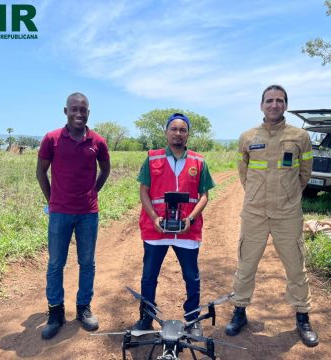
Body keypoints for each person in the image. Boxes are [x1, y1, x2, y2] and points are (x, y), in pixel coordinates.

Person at [225, 85, 319, 347]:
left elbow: (305, 173)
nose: (274, 105)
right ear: (261, 105)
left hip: (287, 214)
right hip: (254, 212)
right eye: (269, 100)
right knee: (246, 265)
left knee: (295, 267)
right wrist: (257, 195)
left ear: (285, 105)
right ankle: (240, 312)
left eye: (279, 100)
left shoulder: (300, 136)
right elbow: (244, 174)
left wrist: (289, 196)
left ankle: (302, 317)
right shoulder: (247, 136)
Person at [133, 113, 215, 336]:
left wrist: (190, 219)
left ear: (188, 134)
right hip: (156, 229)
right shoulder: (152, 158)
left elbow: (204, 195)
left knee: (191, 276)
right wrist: (154, 218)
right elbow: (144, 191)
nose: (178, 133)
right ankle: (146, 318)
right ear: (166, 132)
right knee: (149, 276)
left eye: (182, 130)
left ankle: (192, 319)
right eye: (174, 129)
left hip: (187, 231)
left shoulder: (199, 161)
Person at [36, 92, 110, 340]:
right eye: (74, 109)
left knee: (87, 263)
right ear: (65, 111)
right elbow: (40, 173)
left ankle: (83, 308)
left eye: (84, 109)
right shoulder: (52, 139)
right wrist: (52, 201)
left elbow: (105, 169)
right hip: (59, 214)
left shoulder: (97, 141)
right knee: (56, 263)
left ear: (89, 112)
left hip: (88, 214)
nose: (79, 113)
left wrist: (92, 192)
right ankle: (55, 312)